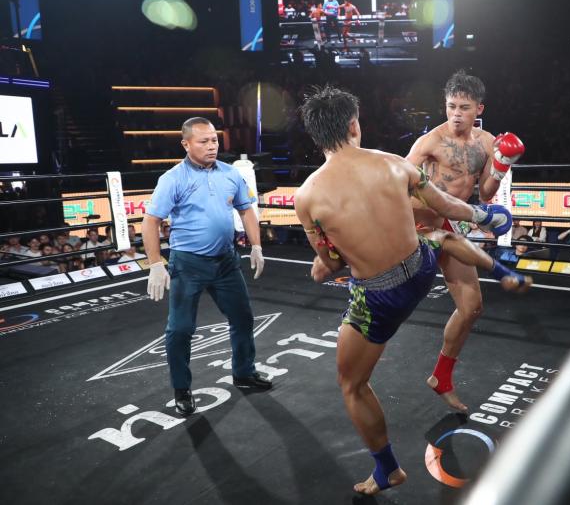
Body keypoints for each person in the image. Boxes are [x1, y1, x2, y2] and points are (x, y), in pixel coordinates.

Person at [294, 85, 530, 496]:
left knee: (352, 385)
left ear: (316, 136)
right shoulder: (394, 163)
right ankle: (500, 270)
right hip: (420, 270)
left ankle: (387, 469)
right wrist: (486, 217)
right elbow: (447, 207)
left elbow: (331, 264)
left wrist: (324, 264)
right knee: (441, 237)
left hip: (380, 296)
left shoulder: (307, 197)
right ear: (354, 125)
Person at [406, 70, 526, 412]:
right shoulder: (430, 141)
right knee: (386, 296)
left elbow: (486, 193)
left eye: (463, 107)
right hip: (414, 221)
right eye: (451, 106)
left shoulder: (487, 143)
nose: (456, 114)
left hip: (447, 223)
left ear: (479, 109)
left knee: (472, 306)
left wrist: (501, 165)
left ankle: (441, 377)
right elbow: (397, 179)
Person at [142, 117, 271, 417]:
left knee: (243, 318)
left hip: (226, 261)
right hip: (188, 264)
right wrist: (155, 264)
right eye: (204, 141)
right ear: (186, 144)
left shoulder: (230, 173)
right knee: (180, 329)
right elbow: (151, 221)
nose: (212, 146)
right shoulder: (173, 179)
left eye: (214, 140)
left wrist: (257, 246)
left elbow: (246, 210)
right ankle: (182, 389)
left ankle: (244, 372)